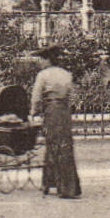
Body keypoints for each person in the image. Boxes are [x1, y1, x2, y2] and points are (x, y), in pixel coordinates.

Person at [29, 45, 81, 199]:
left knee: (52, 146)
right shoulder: (66, 74)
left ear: (47, 60)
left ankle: (54, 185)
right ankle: (66, 186)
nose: (40, 63)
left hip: (51, 113)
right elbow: (74, 97)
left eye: (41, 59)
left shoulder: (43, 75)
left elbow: (36, 97)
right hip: (64, 114)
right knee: (65, 147)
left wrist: (33, 112)